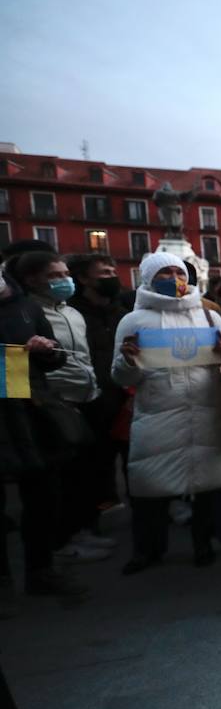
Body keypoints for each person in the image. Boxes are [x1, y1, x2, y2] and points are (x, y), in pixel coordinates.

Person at [112, 253, 221, 574]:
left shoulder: (208, 317)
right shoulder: (134, 321)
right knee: (149, 490)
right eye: (164, 273)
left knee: (207, 488)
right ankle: (147, 549)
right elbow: (121, 378)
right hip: (157, 414)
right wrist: (128, 361)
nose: (174, 278)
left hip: (206, 411)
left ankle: (203, 543)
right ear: (148, 279)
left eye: (178, 272)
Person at [8, 249, 109, 564]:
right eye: (54, 276)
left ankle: (82, 531)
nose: (63, 280)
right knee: (61, 480)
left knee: (86, 474)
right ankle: (62, 541)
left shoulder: (72, 312)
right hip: (54, 403)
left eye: (65, 274)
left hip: (87, 397)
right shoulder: (27, 313)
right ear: (30, 280)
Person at [0, 248, 88, 609]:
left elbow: (55, 358)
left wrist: (44, 349)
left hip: (31, 408)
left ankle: (41, 569)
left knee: (43, 495)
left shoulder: (26, 308)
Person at [67, 252, 130, 514]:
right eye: (104, 273)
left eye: (113, 272)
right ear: (83, 278)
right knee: (96, 459)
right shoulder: (72, 314)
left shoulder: (124, 313)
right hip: (91, 399)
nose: (112, 277)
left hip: (126, 396)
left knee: (131, 454)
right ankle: (102, 504)